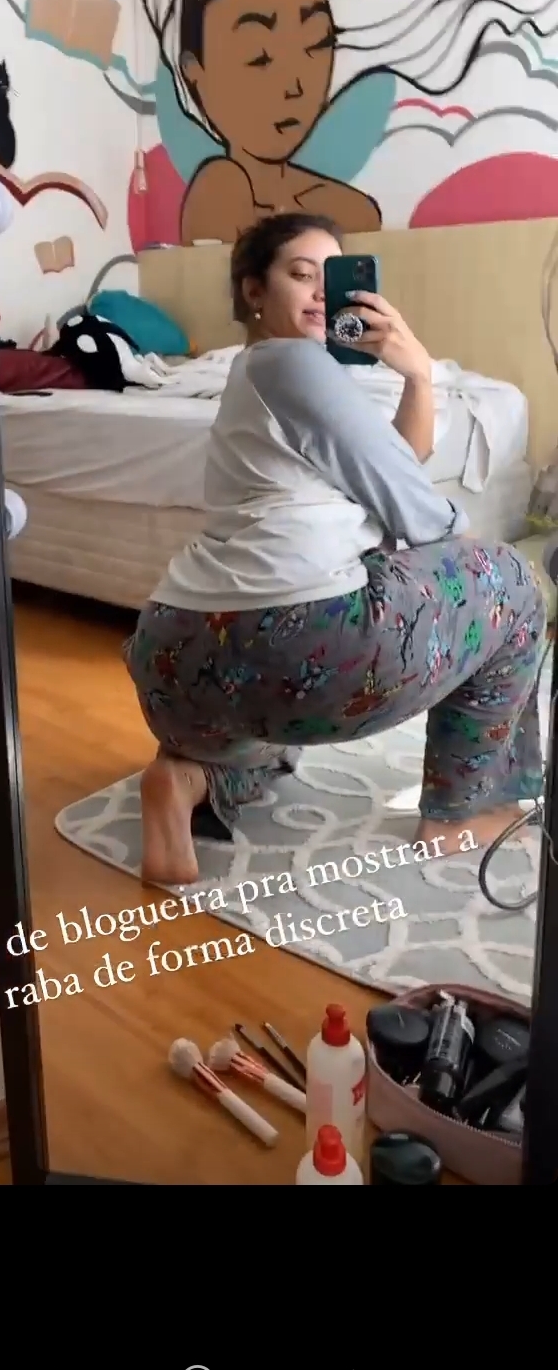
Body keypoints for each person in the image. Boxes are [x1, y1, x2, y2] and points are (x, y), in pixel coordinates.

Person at [124, 213, 546, 886]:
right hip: (293, 641)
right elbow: (411, 500)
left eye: (335, 277)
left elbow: (394, 464)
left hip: (173, 657)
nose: (323, 292)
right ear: (253, 291)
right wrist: (472, 559)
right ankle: (459, 814)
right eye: (301, 275)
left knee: (277, 738)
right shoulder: (295, 362)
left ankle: (188, 779)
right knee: (513, 583)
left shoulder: (257, 375)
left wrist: (418, 376)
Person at [141, 0, 558, 245]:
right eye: (259, 56)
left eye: (317, 41)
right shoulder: (220, 188)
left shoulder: (351, 211)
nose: (295, 86)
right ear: (194, 73)